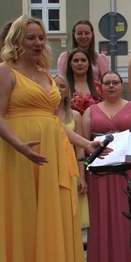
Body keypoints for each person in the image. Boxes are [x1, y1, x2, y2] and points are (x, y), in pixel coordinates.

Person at [0, 16, 105, 262]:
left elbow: (55, 122)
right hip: (20, 154)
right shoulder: (3, 71)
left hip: (53, 155)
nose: (38, 43)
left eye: (41, 38)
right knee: (26, 227)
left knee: (59, 226)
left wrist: (87, 142)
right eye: (30, 38)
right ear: (16, 40)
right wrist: (20, 146)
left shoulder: (45, 76)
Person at [82, 71, 131, 262]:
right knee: (102, 216)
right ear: (101, 87)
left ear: (121, 84)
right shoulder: (90, 111)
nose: (111, 86)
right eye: (107, 83)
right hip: (101, 170)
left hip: (130, 168)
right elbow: (84, 144)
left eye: (115, 82)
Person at [54, 74, 91, 229]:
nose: (58, 89)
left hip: (70, 167)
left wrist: (82, 177)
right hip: (51, 164)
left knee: (70, 213)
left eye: (62, 86)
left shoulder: (75, 115)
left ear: (67, 91)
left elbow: (80, 149)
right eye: (54, 85)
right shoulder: (43, 115)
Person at [63, 48, 103, 114]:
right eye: (76, 61)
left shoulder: (99, 87)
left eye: (83, 60)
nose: (80, 63)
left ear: (89, 63)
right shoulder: (64, 87)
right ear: (70, 64)